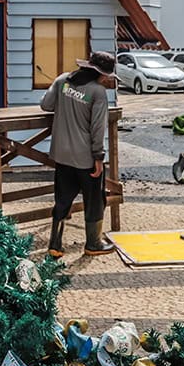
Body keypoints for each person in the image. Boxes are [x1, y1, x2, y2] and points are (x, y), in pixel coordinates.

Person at [40, 51, 117, 258]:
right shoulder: (98, 92)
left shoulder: (63, 80)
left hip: (61, 154)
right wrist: (99, 157)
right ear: (100, 74)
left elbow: (45, 105)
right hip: (86, 158)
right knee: (94, 200)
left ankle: (55, 245)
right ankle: (93, 244)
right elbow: (97, 128)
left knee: (63, 198)